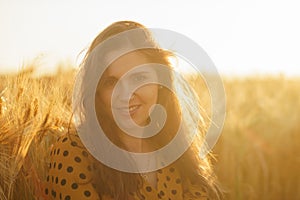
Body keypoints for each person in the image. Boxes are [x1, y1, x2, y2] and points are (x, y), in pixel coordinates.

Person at [43, 21, 222, 200]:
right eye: (111, 82)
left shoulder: (174, 150)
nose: (125, 95)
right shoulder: (74, 152)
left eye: (138, 78)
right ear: (96, 92)